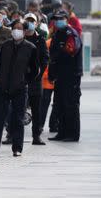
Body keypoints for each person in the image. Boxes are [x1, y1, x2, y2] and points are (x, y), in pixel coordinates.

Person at [0, 20, 39, 158]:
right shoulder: (6, 45)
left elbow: (35, 70)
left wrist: (25, 81)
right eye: (14, 28)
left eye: (19, 29)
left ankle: (17, 148)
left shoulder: (30, 48)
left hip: (19, 88)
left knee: (17, 119)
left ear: (24, 31)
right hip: (2, 87)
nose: (16, 31)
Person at [48, 10, 83, 143]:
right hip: (60, 76)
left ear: (67, 20)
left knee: (71, 105)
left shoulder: (71, 34)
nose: (58, 21)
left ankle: (72, 134)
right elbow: (53, 56)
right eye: (56, 19)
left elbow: (70, 50)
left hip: (71, 76)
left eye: (61, 19)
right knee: (59, 104)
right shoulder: (57, 34)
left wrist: (58, 54)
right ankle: (62, 132)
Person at [23, 14, 50, 145]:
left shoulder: (40, 40)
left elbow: (45, 59)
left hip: (35, 79)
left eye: (32, 21)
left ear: (37, 23)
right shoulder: (19, 38)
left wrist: (38, 73)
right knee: (16, 109)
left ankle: (36, 135)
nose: (29, 23)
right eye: (27, 21)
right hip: (20, 79)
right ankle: (12, 134)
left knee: (36, 109)